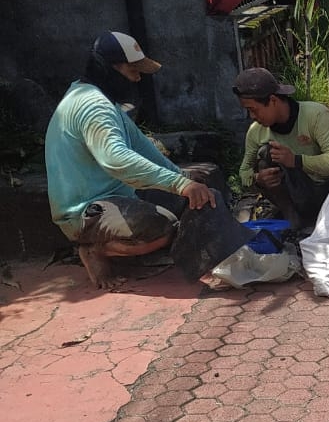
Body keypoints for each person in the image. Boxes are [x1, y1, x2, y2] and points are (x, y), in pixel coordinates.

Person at [44, 32, 216, 289]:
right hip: (85, 211)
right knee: (163, 227)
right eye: (133, 70)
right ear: (109, 69)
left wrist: (183, 180)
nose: (138, 77)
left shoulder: (102, 102)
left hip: (118, 195)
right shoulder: (94, 106)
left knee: (199, 194)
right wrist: (180, 186)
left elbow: (146, 151)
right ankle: (94, 249)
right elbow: (117, 160)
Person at [235, 67, 329, 231]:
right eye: (248, 111)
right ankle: (293, 218)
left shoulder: (315, 115)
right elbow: (244, 171)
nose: (252, 116)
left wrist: (295, 160)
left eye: (253, 110)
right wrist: (258, 180)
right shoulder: (256, 132)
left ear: (273, 100)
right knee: (265, 155)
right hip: (299, 195)